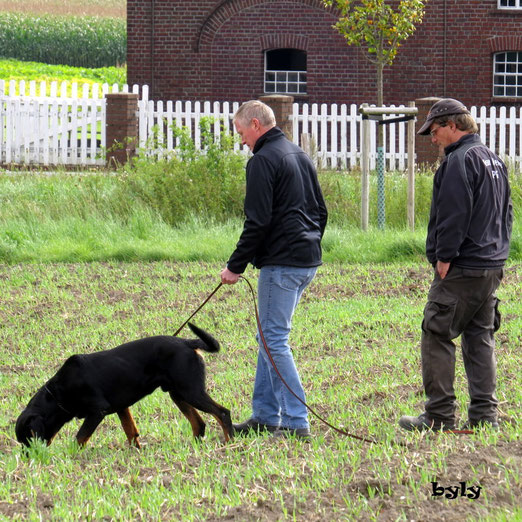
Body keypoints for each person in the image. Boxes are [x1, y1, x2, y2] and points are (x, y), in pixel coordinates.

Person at [399, 98, 513, 432]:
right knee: (480, 336)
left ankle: (438, 416)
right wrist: (499, 252)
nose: (432, 139)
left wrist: (444, 257)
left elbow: (453, 214)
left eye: (434, 131)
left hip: (462, 266)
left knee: (436, 332)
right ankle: (484, 416)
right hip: (491, 265)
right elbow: (507, 213)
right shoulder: (493, 160)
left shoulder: (458, 161)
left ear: (453, 125)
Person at [220, 100, 327, 439]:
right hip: (306, 260)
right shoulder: (298, 154)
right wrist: (306, 243)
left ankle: (296, 422)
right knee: (268, 338)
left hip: (282, 264)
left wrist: (235, 266)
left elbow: (258, 221)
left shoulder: (263, 160)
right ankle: (265, 417)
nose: (242, 142)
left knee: (272, 340)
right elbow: (321, 212)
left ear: (255, 124)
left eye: (241, 133)